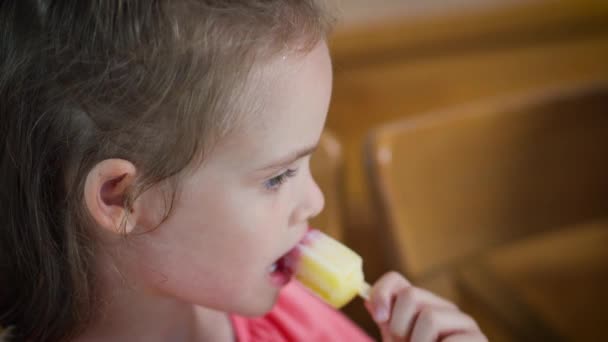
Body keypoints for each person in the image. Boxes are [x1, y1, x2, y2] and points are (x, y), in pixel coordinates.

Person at [0, 1, 487, 341]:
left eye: (306, 165)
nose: (315, 201)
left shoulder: (298, 319)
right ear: (121, 198)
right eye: (278, 177)